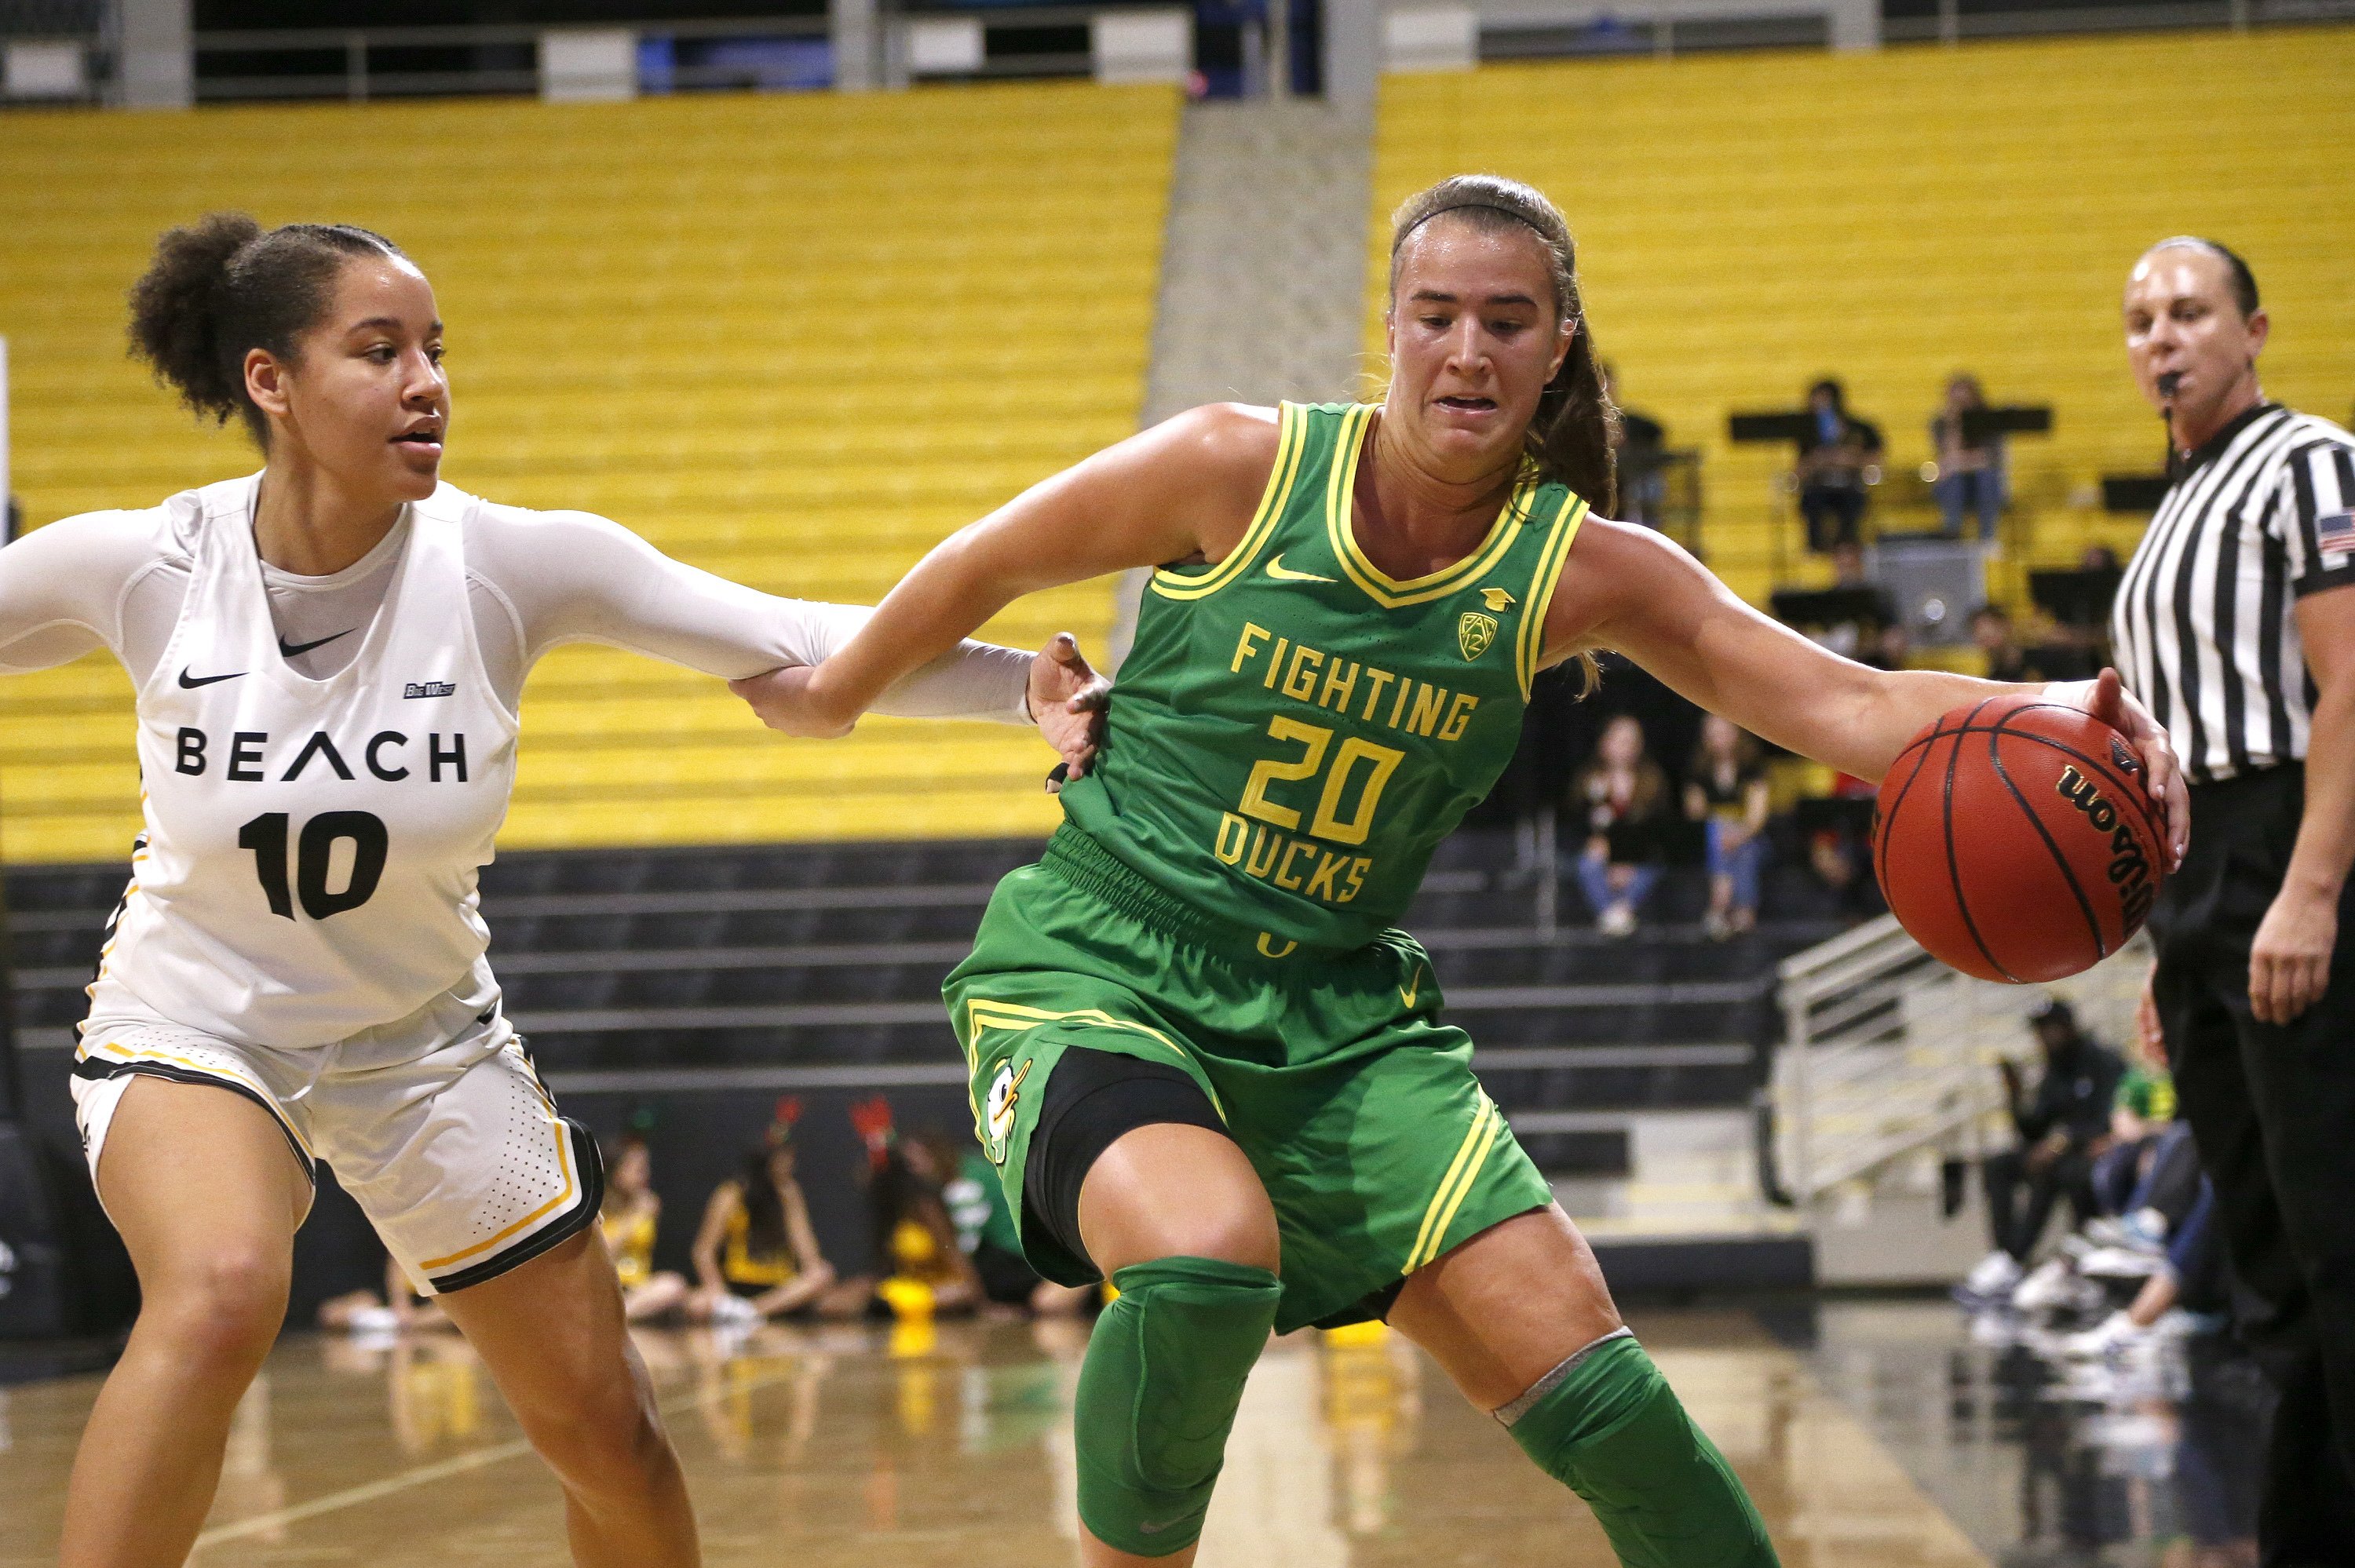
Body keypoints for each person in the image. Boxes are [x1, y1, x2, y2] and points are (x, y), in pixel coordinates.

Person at [734, 173, 2185, 1568]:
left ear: (1559, 349)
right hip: (1103, 963)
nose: (1468, 348)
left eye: (1507, 319)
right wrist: (839, 687)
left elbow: (1848, 705)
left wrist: (2078, 716)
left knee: (1621, 1415)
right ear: (1390, 327)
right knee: (1204, 1256)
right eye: (1436, 313)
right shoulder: (1239, 465)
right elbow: (991, 558)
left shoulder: (1581, 570)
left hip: (1343, 1025)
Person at [3, 213, 1103, 1568]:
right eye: (379, 350)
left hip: (422, 1040)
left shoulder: (513, 561)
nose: (427, 383)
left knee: (612, 1436)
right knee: (225, 1287)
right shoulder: (146, 565)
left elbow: (800, 641)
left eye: (436, 350)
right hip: (200, 1020)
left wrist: (1022, 694)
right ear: (268, 381)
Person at [2111, 235, 2355, 1562]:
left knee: (2337, 1242)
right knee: (2267, 1270)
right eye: (2142, 319)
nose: (2163, 337)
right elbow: (2167, 752)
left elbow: (2351, 681)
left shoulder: (2309, 459)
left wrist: (2312, 886)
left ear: (2253, 328)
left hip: (2290, 857)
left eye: (2190, 312)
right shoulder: (2164, 517)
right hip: (2200, 892)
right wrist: (2165, 939)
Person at [1968, 1000, 2126, 1291]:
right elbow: (2034, 1130)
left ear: (2068, 1027)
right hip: (2057, 1152)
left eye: (2049, 1029)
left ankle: (2021, 1257)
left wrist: (2062, 1142)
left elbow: (2110, 1121)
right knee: (1999, 1165)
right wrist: (2015, 1096)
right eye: (2039, 1031)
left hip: (2094, 1153)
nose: (2044, 1038)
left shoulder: (2103, 1061)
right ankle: (2004, 1255)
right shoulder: (2054, 1069)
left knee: (2056, 1170)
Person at [688, 1127, 837, 1322]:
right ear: (768, 1160)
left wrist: (811, 1276)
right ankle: (737, 1311)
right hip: (736, 1287)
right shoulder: (731, 1194)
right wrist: (719, 1294)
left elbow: (810, 1256)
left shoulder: (789, 1195)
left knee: (824, 1275)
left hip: (779, 1291)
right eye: (785, 1158)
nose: (791, 1164)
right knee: (696, 1304)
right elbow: (703, 1252)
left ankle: (750, 1313)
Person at [1568, 713, 1668, 936]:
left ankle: (1624, 911)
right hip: (1601, 851)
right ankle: (1609, 914)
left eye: (1631, 742)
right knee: (1588, 864)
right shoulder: (1590, 780)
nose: (1626, 748)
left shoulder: (1652, 780)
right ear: (1605, 744)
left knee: (1652, 863)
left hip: (1641, 850)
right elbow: (1582, 825)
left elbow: (1656, 826)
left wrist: (1626, 856)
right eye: (1620, 741)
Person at [1685, 714, 1769, 939]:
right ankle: (1726, 901)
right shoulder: (1699, 770)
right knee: (1715, 831)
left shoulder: (1752, 768)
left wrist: (1737, 835)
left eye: (1724, 731)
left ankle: (1735, 908)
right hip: (1714, 837)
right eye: (1713, 733)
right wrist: (1721, 832)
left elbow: (1756, 817)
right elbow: (1696, 814)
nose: (1718, 738)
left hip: (1749, 837)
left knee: (1746, 850)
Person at [601, 1134, 690, 1323]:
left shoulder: (648, 1203)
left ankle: (615, 1319)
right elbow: (603, 1254)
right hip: (603, 1287)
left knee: (674, 1285)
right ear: (616, 1171)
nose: (645, 1175)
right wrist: (636, 1218)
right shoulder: (597, 1209)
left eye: (646, 1169)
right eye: (638, 1170)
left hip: (637, 1290)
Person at [1795, 378, 1882, 553]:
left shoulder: (1860, 428)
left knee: (1851, 506)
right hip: (1819, 486)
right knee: (1811, 501)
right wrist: (1817, 460)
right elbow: (1799, 469)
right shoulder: (1807, 433)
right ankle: (1816, 547)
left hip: (1851, 486)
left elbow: (1876, 461)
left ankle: (1850, 546)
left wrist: (1850, 460)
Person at [1929, 373, 2005, 542]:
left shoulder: (1991, 422)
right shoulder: (1940, 423)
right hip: (1954, 483)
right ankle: (1953, 537)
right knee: (1954, 480)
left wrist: (1958, 463)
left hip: (1986, 482)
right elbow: (1947, 457)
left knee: (1986, 477)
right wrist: (1954, 425)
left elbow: (1990, 459)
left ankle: (1987, 538)